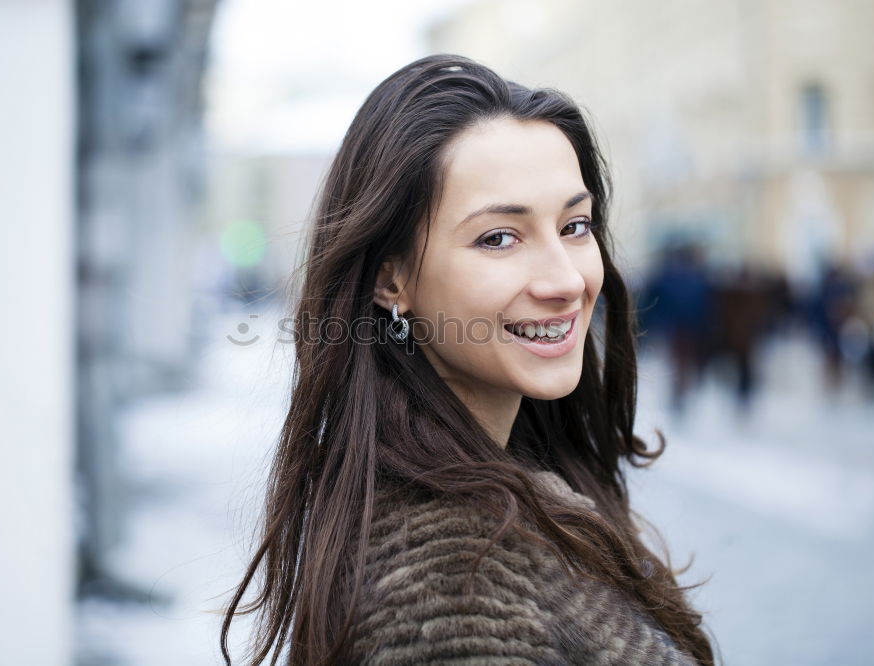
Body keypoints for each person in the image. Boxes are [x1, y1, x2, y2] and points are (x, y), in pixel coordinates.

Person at [219, 54, 716, 665]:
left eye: (575, 225)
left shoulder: (504, 494)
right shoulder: (455, 582)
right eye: (498, 238)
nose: (565, 280)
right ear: (390, 279)